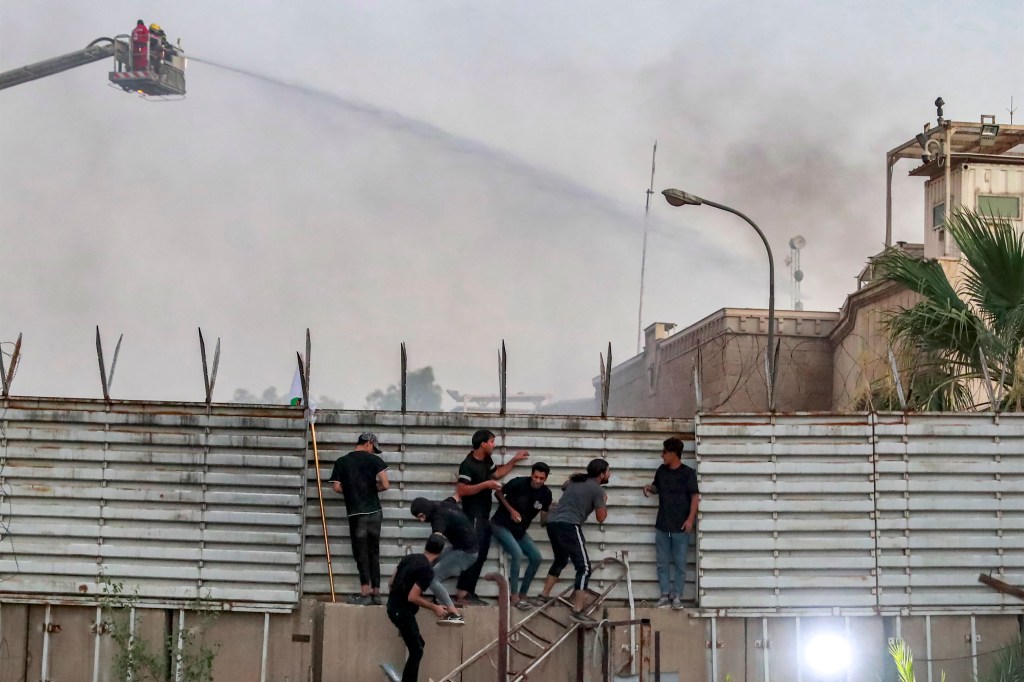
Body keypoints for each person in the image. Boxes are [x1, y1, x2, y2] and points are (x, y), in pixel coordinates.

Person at [453, 429, 528, 605]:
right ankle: (462, 594)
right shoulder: (468, 464)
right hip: (473, 515)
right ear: (483, 444)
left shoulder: (487, 460)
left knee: (482, 554)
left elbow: (497, 474)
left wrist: (514, 460)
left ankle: (468, 592)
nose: (494, 445)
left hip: (484, 515)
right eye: (492, 441)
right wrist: (485, 485)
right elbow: (461, 490)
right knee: (473, 553)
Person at [540, 458, 611, 624]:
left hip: (552, 523)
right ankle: (577, 610)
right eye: (608, 471)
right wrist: (604, 502)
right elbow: (601, 518)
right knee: (584, 567)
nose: (609, 474)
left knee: (561, 559)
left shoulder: (576, 480)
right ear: (601, 474)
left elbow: (564, 486)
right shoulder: (598, 490)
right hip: (569, 525)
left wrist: (575, 477)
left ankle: (543, 596)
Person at [328, 432, 390, 605]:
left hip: (357, 514)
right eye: (373, 448)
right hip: (375, 512)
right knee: (374, 551)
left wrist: (353, 491)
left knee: (360, 552)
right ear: (369, 443)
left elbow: (337, 488)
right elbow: (385, 484)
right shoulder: (374, 461)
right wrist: (370, 489)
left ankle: (365, 593)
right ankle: (376, 593)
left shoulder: (342, 462)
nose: (372, 452)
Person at [643, 437, 700, 610]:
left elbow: (695, 497)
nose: (662, 456)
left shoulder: (688, 473)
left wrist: (690, 519)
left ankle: (678, 596)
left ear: (674, 453)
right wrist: (649, 488)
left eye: (665, 452)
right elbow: (657, 487)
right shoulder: (661, 470)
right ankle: (664, 594)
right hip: (663, 524)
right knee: (662, 561)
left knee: (680, 562)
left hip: (680, 525)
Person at [386, 534, 450, 682]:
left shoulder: (410, 558)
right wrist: (435, 607)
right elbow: (412, 597)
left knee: (418, 645)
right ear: (440, 553)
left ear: (426, 546)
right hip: (402, 612)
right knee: (417, 650)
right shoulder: (427, 570)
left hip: (393, 607)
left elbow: (390, 582)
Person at [490, 462, 552, 610]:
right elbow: (498, 493)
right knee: (517, 553)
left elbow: (544, 520)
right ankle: (514, 597)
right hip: (501, 524)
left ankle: (524, 595)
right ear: (531, 474)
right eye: (535, 477)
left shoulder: (546, 494)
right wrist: (511, 510)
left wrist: (553, 511)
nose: (537, 481)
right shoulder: (519, 483)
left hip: (519, 530)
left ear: (546, 478)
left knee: (536, 557)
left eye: (541, 478)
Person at [409, 497, 472, 624]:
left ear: (426, 510)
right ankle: (434, 597)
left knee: (431, 577)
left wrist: (419, 562)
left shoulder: (438, 520)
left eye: (421, 516)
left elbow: (435, 544)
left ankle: (454, 614)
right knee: (430, 566)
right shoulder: (444, 504)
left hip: (466, 554)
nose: (422, 521)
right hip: (461, 547)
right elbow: (456, 496)